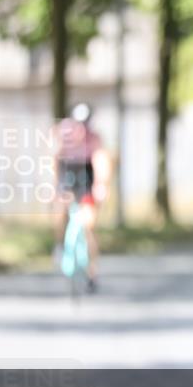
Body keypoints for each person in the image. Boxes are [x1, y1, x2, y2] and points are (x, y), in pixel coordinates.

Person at [54, 103, 110, 292]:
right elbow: (52, 159)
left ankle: (92, 273)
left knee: (89, 225)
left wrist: (101, 185)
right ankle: (60, 244)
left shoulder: (94, 139)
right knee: (60, 212)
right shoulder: (62, 134)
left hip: (86, 178)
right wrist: (55, 186)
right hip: (68, 176)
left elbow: (101, 161)